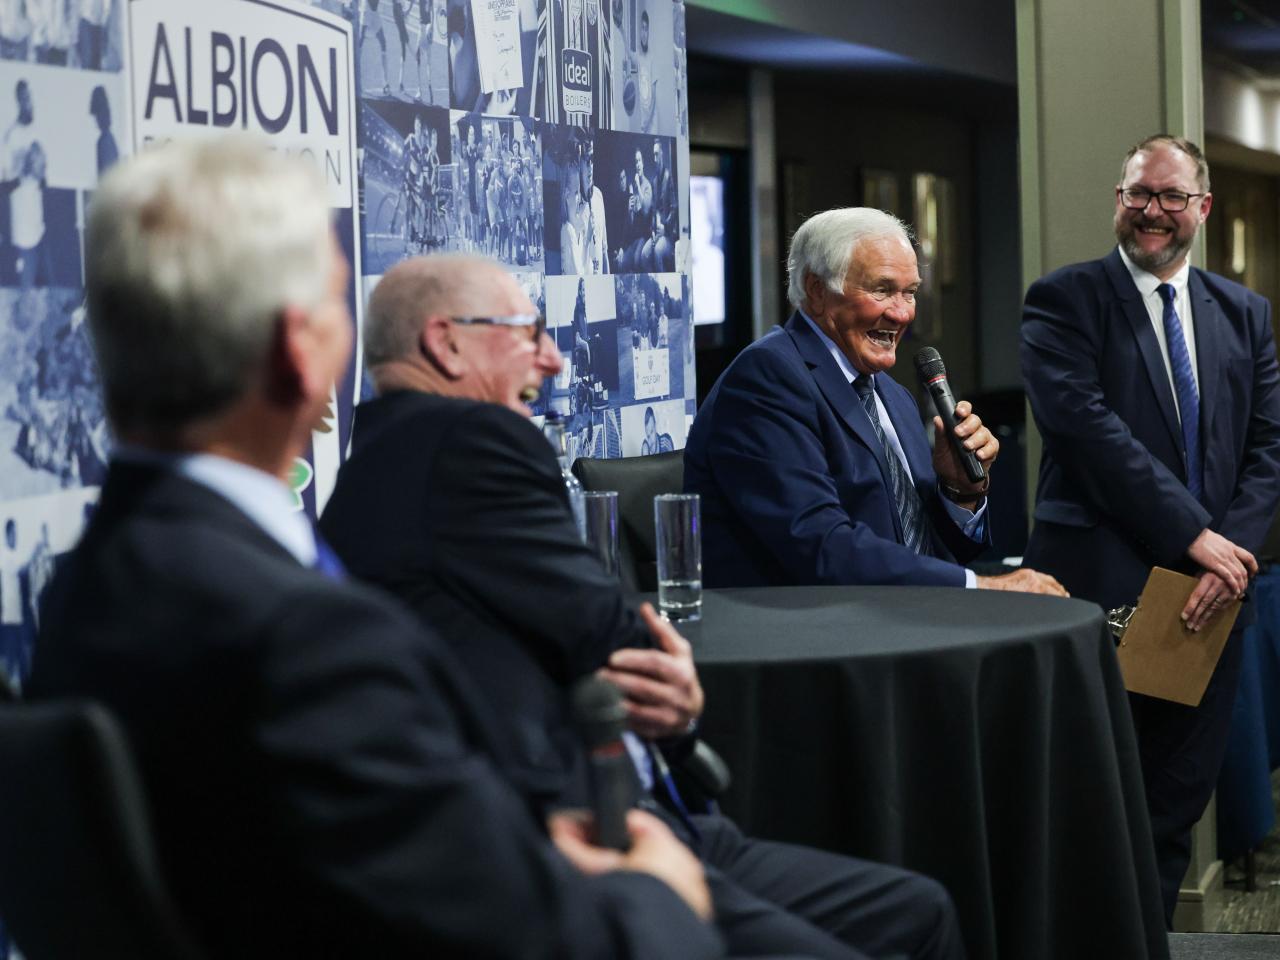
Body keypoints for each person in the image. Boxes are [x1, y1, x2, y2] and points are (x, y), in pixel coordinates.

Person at [26, 135, 722, 960]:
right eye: (335, 304)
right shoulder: (309, 643)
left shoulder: (83, 589)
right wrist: (662, 897)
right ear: (299, 348)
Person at [320, 252, 969, 960]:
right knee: (908, 916)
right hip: (587, 840)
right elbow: (614, 632)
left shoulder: (373, 466)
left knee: (920, 908)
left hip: (612, 805)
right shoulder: (472, 440)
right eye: (526, 332)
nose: (553, 361)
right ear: (446, 344)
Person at [1020, 134, 1280, 923]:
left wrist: (1220, 559)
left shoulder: (1244, 312)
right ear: (1119, 200)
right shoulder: (1064, 300)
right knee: (1090, 802)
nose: (1152, 212)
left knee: (1174, 805)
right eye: (1138, 194)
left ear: (1201, 207)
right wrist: (1195, 537)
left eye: (1171, 197)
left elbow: (1267, 447)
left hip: (1208, 603)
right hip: (1103, 590)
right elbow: (1088, 433)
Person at [685, 207, 1066, 596]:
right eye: (882, 290)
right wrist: (980, 587)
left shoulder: (892, 394)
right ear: (817, 291)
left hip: (905, 620)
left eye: (910, 292)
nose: (902, 313)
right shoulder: (768, 377)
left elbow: (935, 549)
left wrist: (959, 491)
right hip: (816, 636)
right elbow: (821, 547)